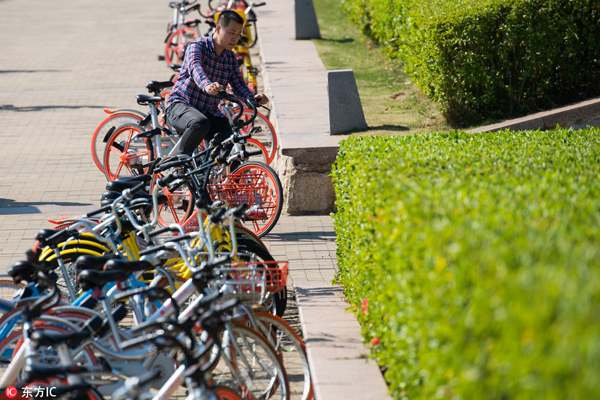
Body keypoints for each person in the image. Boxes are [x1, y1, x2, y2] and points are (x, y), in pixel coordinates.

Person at [165, 10, 268, 156]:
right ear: (218, 29)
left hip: (209, 111)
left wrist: (253, 99)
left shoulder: (230, 57)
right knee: (200, 123)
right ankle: (180, 168)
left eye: (238, 34)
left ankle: (232, 178)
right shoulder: (197, 46)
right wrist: (207, 85)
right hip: (180, 106)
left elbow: (238, 85)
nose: (235, 38)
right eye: (232, 32)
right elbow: (196, 68)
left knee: (231, 148)